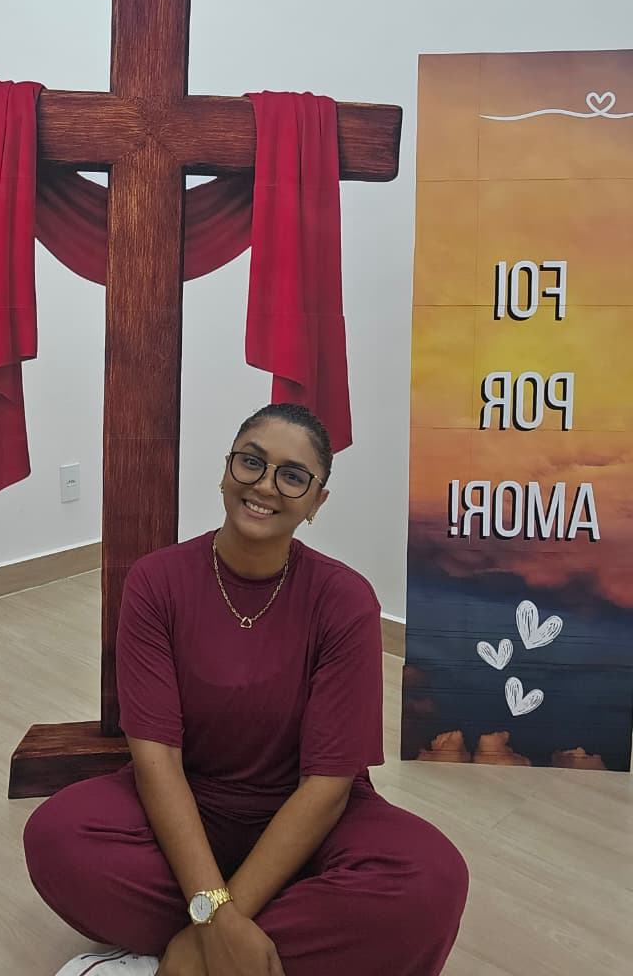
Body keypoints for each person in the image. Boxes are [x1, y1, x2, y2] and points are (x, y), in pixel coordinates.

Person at [24, 403, 469, 976]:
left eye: (293, 476)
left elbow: (327, 787)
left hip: (311, 821)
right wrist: (215, 913)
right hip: (191, 806)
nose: (264, 486)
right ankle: (245, 950)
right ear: (226, 470)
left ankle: (184, 958)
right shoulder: (157, 581)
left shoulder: (345, 601)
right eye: (251, 462)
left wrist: (205, 930)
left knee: (432, 881)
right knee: (58, 838)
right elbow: (157, 762)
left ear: (316, 502)